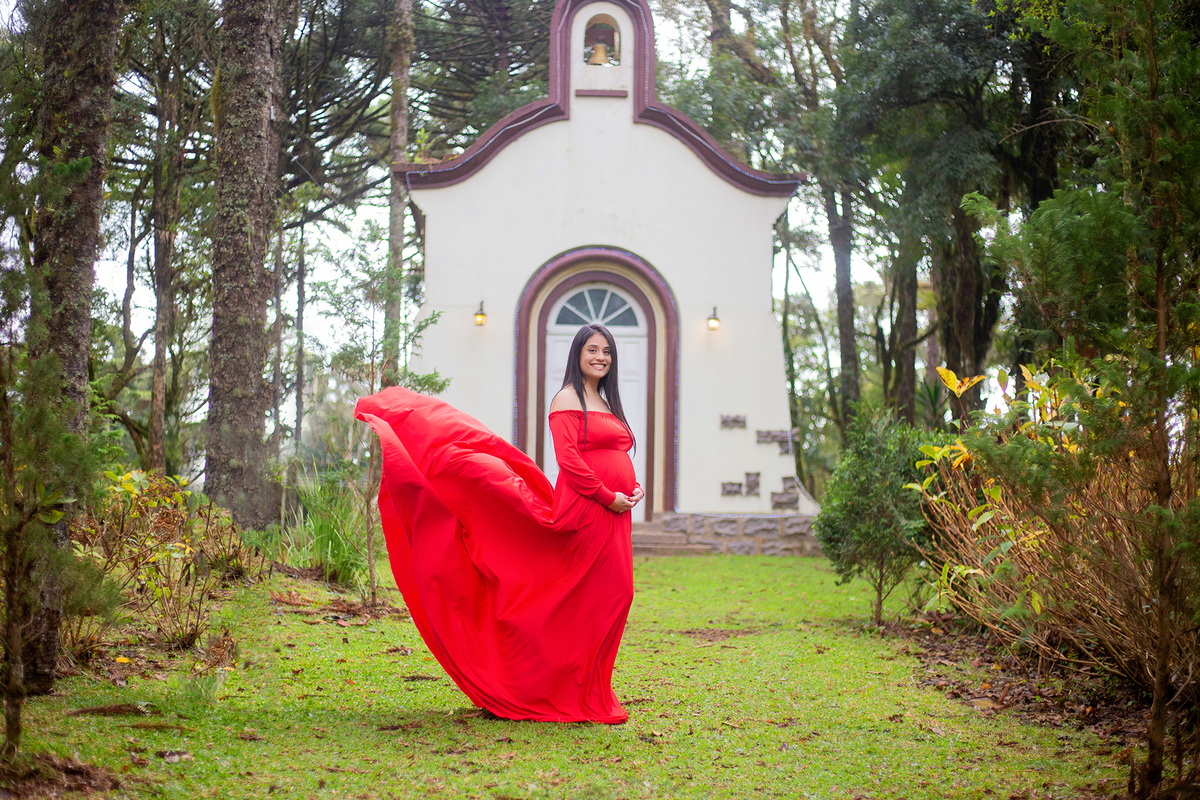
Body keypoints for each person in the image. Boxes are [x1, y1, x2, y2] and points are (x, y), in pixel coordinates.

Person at [354, 323, 641, 723]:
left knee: (613, 594)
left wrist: (632, 486)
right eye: (592, 349)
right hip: (588, 510)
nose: (601, 357)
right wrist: (608, 495)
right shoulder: (567, 399)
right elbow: (570, 461)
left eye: (607, 351)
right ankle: (547, 686)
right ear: (577, 354)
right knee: (597, 595)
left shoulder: (606, 401)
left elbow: (614, 451)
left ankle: (585, 688)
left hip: (615, 512)